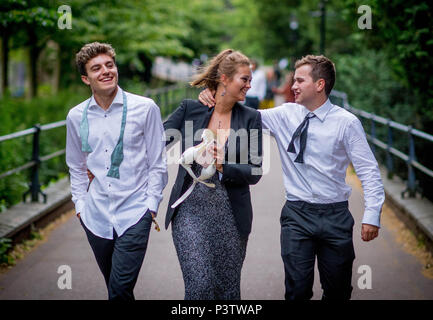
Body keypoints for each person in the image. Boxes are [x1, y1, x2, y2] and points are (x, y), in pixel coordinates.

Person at [198, 54, 385, 300]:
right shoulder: (285, 114)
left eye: (299, 81)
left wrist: (372, 215)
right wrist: (214, 93)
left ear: (320, 85)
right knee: (296, 291)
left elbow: (368, 170)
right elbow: (243, 115)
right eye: (293, 80)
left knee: (338, 291)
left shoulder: (346, 123)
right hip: (297, 215)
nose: (293, 86)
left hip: (335, 217)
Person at [66, 42, 168, 300]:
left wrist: (151, 206)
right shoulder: (76, 117)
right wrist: (80, 205)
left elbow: (158, 162)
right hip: (96, 217)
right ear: (85, 78)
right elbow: (76, 166)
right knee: (117, 289)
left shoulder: (145, 108)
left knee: (120, 289)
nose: (105, 71)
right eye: (96, 68)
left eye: (109, 65)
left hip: (135, 213)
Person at [163, 49, 263, 300]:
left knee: (227, 292)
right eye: (244, 79)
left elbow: (255, 171)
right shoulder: (191, 109)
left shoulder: (250, 117)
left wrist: (223, 165)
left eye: (250, 80)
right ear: (224, 79)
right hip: (189, 213)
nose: (249, 85)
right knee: (199, 287)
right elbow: (156, 141)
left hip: (232, 216)